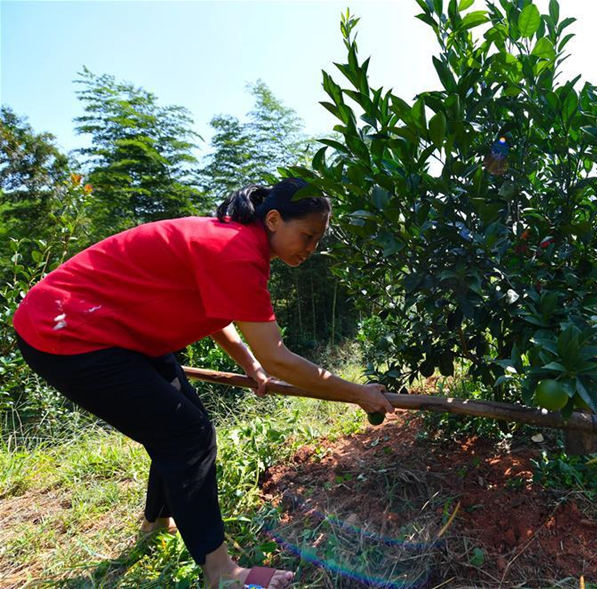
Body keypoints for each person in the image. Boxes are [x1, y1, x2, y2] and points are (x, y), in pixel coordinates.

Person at [13, 177, 395, 589]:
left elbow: (221, 318)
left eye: (317, 240)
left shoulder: (235, 244)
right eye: (307, 235)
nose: (311, 248)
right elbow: (278, 356)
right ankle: (220, 573)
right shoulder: (235, 252)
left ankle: (157, 523)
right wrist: (359, 393)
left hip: (117, 333)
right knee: (188, 435)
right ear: (272, 219)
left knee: (185, 422)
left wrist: (250, 365)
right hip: (66, 332)